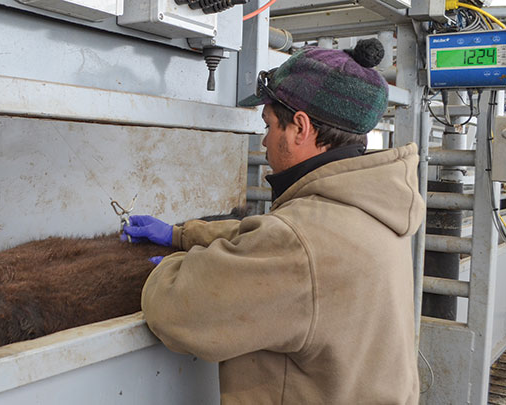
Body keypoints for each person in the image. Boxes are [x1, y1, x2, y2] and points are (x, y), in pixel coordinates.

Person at [123, 38, 425, 404]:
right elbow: (281, 240)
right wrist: (182, 234)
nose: (264, 142)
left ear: (300, 127)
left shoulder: (300, 242)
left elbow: (179, 310)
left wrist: (171, 267)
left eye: (268, 125)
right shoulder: (372, 207)